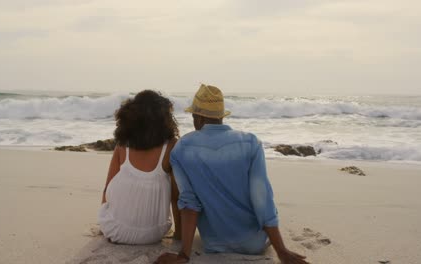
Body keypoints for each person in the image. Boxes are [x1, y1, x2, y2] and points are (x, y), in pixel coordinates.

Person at [155, 84, 308, 263]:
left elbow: (189, 203)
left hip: (213, 244)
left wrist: (184, 254)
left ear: (198, 117)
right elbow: (262, 199)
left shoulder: (181, 149)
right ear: (221, 116)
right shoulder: (251, 143)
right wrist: (281, 251)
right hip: (255, 244)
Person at [98, 90, 181, 244]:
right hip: (155, 233)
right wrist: (178, 235)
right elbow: (175, 198)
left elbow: (107, 190)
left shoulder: (122, 146)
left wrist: (105, 220)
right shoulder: (171, 147)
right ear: (164, 118)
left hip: (116, 231)